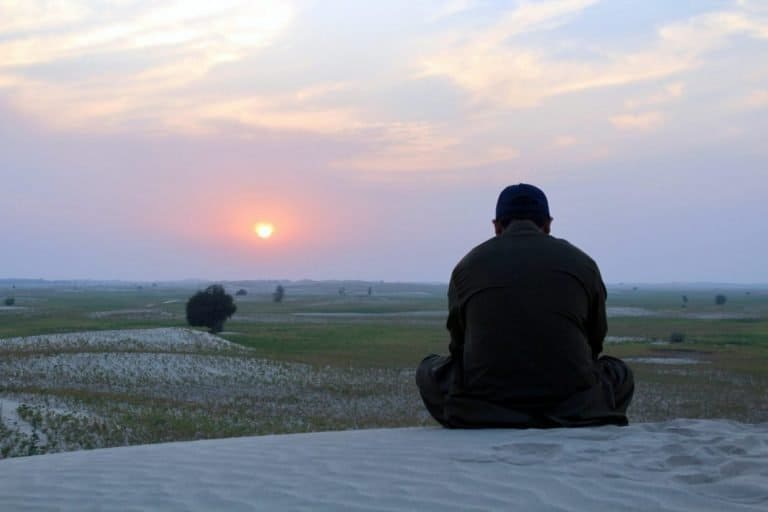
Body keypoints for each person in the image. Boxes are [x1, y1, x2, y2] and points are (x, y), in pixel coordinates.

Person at [416, 183, 634, 428]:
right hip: (573, 404)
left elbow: (459, 346)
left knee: (428, 370)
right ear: (548, 224)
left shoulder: (468, 265)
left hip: (483, 406)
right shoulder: (583, 263)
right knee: (619, 372)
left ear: (497, 226)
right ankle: (583, 414)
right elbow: (595, 341)